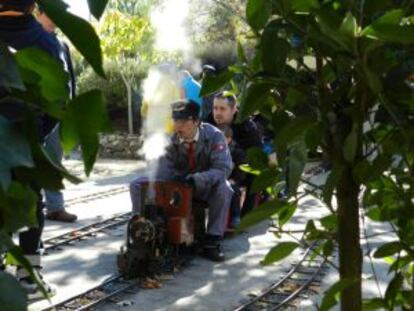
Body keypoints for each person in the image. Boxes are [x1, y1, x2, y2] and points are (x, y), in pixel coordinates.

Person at [0, 0, 63, 299]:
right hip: (27, 141)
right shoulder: (47, 44)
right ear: (33, 5)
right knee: (29, 203)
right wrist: (37, 135)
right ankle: (28, 276)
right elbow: (59, 104)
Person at [130, 100, 233, 262]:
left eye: (183, 121)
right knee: (137, 184)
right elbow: (162, 173)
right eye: (175, 121)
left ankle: (213, 240)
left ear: (197, 122)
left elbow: (222, 169)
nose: (178, 126)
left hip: (202, 186)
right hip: (176, 186)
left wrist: (197, 179)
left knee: (224, 189)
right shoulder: (169, 138)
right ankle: (141, 229)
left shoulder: (215, 136)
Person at [37, 7, 77, 223]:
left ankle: (55, 207)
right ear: (38, 13)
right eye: (51, 14)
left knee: (54, 161)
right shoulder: (24, 39)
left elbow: (70, 78)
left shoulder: (62, 45)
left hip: (60, 114)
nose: (55, 20)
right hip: (35, 112)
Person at [206, 92, 263, 216]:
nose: (217, 113)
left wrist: (235, 163)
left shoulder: (247, 127)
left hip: (239, 166)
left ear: (233, 109)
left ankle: (245, 216)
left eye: (222, 109)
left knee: (255, 175)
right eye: (215, 108)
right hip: (214, 164)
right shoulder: (208, 122)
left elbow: (256, 153)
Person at [218, 124, 247, 229]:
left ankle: (235, 217)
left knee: (233, 191)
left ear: (229, 139)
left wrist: (233, 180)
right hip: (215, 180)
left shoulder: (237, 153)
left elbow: (241, 171)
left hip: (232, 180)